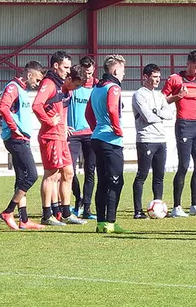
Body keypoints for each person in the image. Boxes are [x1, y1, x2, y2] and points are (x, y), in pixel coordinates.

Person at [32, 52, 86, 227]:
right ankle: (46, 215)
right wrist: (49, 122)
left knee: (68, 173)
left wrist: (63, 126)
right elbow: (37, 105)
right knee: (51, 175)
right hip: (50, 136)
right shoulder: (48, 84)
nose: (67, 71)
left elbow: (58, 109)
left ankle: (66, 213)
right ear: (56, 66)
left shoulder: (62, 86)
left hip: (60, 136)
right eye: (65, 67)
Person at [162, 50, 196, 217]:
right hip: (183, 124)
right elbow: (162, 101)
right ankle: (177, 206)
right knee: (183, 165)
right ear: (188, 63)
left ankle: (195, 205)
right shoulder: (175, 79)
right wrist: (178, 96)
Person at [0, 61, 45, 230]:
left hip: (21, 137)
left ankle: (23, 219)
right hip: (16, 138)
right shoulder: (13, 87)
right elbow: (3, 107)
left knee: (22, 177)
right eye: (37, 80)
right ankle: (8, 211)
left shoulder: (22, 90)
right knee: (32, 175)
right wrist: (14, 128)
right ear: (29, 74)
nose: (37, 84)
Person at [87, 55, 127, 234]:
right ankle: (111, 222)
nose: (124, 74)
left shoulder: (96, 87)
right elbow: (112, 108)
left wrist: (96, 128)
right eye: (123, 70)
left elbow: (88, 112)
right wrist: (117, 129)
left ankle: (101, 223)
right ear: (116, 70)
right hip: (111, 140)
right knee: (116, 181)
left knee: (102, 181)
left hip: (97, 138)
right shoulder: (114, 87)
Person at [132, 64, 175, 219]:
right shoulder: (139, 95)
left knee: (159, 175)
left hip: (161, 139)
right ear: (145, 77)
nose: (158, 80)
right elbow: (147, 117)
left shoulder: (159, 95)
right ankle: (137, 211)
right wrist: (159, 114)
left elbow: (170, 114)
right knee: (142, 175)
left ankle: (159, 206)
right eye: (154, 77)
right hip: (146, 139)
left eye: (159, 77)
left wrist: (157, 112)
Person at [66, 56, 98, 220]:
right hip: (73, 135)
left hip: (91, 134)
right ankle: (77, 200)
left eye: (90, 72)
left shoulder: (97, 86)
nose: (88, 76)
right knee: (70, 171)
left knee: (90, 171)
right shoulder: (73, 86)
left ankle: (87, 207)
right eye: (86, 72)